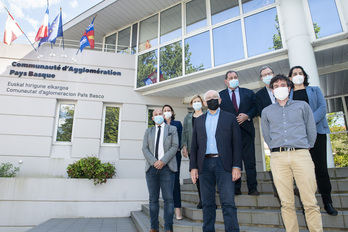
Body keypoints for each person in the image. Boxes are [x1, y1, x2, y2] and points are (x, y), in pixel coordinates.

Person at [261, 74, 323, 232]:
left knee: (310, 201)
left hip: (301, 155)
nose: (279, 88)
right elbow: (267, 136)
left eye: (283, 85)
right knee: (286, 203)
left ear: (289, 88)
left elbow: (311, 129)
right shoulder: (266, 111)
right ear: (272, 90)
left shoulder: (302, 106)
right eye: (276, 86)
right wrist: (277, 148)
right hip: (278, 158)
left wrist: (306, 147)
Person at [288, 65, 338, 216]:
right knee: (303, 172)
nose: (298, 75)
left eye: (300, 73)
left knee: (321, 169)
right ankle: (307, 204)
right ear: (290, 78)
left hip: (317, 133)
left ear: (304, 76)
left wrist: (308, 124)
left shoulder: (315, 90)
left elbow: (322, 108)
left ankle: (327, 202)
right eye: (294, 73)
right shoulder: (288, 96)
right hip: (298, 138)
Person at [190, 90, 242, 232]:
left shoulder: (230, 118)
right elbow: (194, 145)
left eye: (215, 97)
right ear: (205, 103)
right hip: (204, 165)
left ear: (219, 101)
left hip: (224, 164)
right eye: (208, 98)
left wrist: (237, 166)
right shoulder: (199, 120)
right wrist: (193, 167)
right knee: (207, 203)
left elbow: (237, 144)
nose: (212, 100)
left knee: (228, 203)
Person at [219, 70, 259, 196]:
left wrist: (247, 116)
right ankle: (236, 188)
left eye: (235, 77)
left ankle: (253, 188)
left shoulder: (248, 93)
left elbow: (256, 108)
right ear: (226, 81)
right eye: (231, 77)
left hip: (246, 132)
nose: (233, 79)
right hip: (229, 135)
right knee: (234, 162)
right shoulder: (220, 96)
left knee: (250, 161)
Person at [142, 108, 178, 232]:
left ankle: (168, 228)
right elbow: (145, 149)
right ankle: (154, 227)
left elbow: (175, 146)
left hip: (167, 168)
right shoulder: (148, 131)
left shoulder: (172, 129)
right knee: (153, 199)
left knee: (168, 199)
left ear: (164, 115)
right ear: (152, 118)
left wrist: (162, 161)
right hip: (151, 169)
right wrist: (154, 162)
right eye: (155, 115)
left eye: (160, 114)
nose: (158, 116)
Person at [181, 95, 205, 209]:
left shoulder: (207, 114)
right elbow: (185, 133)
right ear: (191, 104)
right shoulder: (188, 118)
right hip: (193, 150)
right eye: (194, 102)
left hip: (206, 150)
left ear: (202, 103)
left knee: (208, 175)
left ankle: (209, 200)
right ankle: (202, 200)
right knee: (198, 175)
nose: (196, 103)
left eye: (198, 101)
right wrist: (184, 147)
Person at [162, 104, 183, 220]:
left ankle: (178, 209)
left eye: (168, 110)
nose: (166, 112)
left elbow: (181, 138)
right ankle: (168, 210)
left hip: (176, 156)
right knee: (165, 183)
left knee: (175, 182)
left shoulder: (178, 124)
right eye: (164, 110)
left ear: (172, 112)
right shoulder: (160, 125)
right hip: (163, 158)